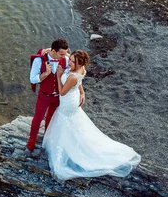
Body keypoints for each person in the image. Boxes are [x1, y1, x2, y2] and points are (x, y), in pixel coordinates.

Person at [42, 50, 141, 182]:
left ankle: (70, 148)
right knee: (74, 123)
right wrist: (82, 93)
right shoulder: (81, 68)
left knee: (65, 122)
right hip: (74, 97)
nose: (69, 62)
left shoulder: (71, 76)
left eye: (72, 61)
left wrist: (59, 76)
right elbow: (79, 82)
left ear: (79, 63)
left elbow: (62, 92)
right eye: (70, 59)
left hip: (68, 100)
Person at [27, 38, 83, 151]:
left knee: (51, 119)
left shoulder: (66, 60)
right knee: (37, 119)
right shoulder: (39, 61)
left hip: (58, 98)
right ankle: (32, 139)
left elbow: (76, 76)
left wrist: (82, 91)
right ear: (53, 51)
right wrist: (46, 73)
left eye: (66, 53)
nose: (64, 56)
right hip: (44, 96)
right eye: (61, 53)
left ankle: (47, 138)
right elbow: (33, 79)